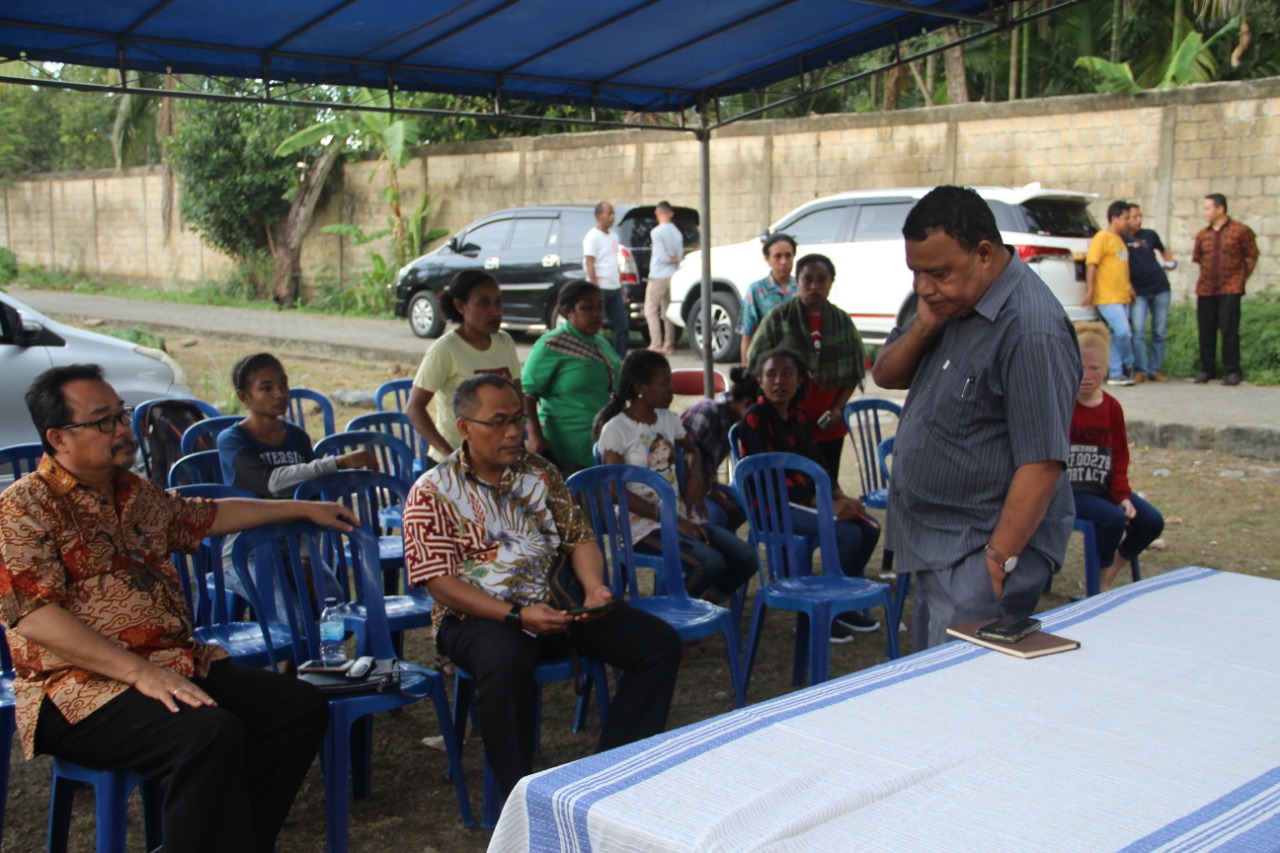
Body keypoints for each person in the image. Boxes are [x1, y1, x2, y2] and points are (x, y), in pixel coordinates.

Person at [0, 364, 358, 853]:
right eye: (103, 421)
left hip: (167, 665)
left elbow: (206, 515)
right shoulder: (24, 507)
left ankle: (229, 842)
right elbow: (34, 615)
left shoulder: (133, 492)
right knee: (209, 734)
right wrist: (138, 673)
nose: (123, 430)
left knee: (297, 707)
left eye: (121, 416)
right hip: (75, 689)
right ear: (59, 438)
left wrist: (301, 507)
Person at [402, 374, 681, 801]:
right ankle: (521, 800)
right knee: (506, 661)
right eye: (498, 422)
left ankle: (610, 778)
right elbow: (438, 582)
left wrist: (593, 589)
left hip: (555, 606)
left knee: (657, 644)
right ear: (464, 428)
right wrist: (514, 615)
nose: (514, 431)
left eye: (517, 419)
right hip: (477, 618)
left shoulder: (540, 472)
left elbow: (580, 538)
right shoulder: (433, 491)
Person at [873, 185, 1079, 651]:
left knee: (960, 697)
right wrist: (926, 323)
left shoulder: (1030, 329)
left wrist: (997, 561)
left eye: (938, 272)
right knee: (933, 678)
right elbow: (885, 373)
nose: (924, 286)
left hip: (979, 551)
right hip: (937, 543)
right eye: (916, 272)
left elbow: (1043, 462)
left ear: (984, 254)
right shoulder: (947, 299)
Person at [736, 348, 881, 639]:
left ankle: (841, 603)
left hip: (807, 505)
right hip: (773, 508)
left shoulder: (800, 417)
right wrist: (825, 505)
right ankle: (823, 613)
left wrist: (840, 497)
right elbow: (772, 479)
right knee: (847, 534)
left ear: (800, 379)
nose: (779, 381)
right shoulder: (755, 419)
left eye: (787, 374)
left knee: (869, 528)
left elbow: (818, 465)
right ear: (760, 381)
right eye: (771, 374)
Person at [594, 351, 756, 604]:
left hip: (678, 515)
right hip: (639, 525)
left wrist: (695, 476)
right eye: (664, 383)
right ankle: (667, 622)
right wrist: (671, 519)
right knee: (708, 562)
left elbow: (692, 450)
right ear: (640, 387)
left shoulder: (669, 420)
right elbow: (615, 491)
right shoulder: (616, 429)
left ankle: (700, 605)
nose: (672, 389)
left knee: (746, 557)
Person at [745, 252, 865, 477]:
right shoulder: (778, 319)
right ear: (797, 281)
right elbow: (755, 364)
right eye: (807, 279)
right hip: (785, 423)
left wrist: (838, 408)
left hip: (828, 425)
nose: (814, 286)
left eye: (821, 280)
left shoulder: (843, 322)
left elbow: (853, 373)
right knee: (792, 488)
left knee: (827, 485)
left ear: (831, 282)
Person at [1069, 322, 1165, 592]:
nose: (1086, 375)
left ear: (1107, 368)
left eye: (1095, 369)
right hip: (1070, 491)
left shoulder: (1112, 408)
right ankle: (1097, 581)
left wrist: (1122, 495)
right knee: (1112, 519)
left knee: (1150, 521)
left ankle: (1109, 572)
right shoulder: (1061, 401)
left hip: (1102, 487)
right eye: (1080, 367)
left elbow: (1119, 458)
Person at [405, 270, 522, 464]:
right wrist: (451, 455)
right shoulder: (445, 349)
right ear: (460, 306)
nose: (495, 311)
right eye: (484, 303)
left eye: (498, 302)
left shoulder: (505, 342)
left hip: (497, 458)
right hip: (456, 463)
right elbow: (414, 408)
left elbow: (518, 398)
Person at [218, 352, 377, 493]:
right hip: (256, 527)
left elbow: (315, 487)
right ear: (244, 397)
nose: (280, 394)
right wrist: (339, 462)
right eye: (266, 388)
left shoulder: (297, 435)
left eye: (283, 384)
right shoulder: (232, 440)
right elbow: (272, 483)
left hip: (302, 525)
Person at [522, 281, 621, 475]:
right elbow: (527, 393)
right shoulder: (552, 344)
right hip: (566, 447)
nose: (597, 314)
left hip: (602, 442)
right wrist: (534, 434)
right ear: (568, 311)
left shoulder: (602, 344)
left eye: (600, 307)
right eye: (587, 308)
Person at [1191, 193, 1259, 386]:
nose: (1204, 212)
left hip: (1230, 287)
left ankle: (1233, 370)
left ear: (1220, 209)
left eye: (1207, 208)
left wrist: (1242, 278)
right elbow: (1199, 259)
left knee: (1229, 330)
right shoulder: (1203, 234)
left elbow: (1252, 256)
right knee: (1206, 330)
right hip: (1205, 288)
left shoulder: (1240, 231)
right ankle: (1207, 369)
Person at [679, 366, 757, 530]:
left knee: (747, 506)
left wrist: (715, 493)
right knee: (716, 516)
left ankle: (727, 549)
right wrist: (718, 499)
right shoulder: (706, 415)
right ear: (747, 403)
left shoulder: (732, 420)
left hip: (704, 482)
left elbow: (708, 470)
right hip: (681, 484)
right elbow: (687, 470)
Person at [1084, 200, 1136, 386]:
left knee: (1116, 335)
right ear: (1114, 218)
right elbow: (1092, 264)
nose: (1128, 221)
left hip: (1122, 297)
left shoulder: (1120, 240)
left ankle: (1115, 373)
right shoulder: (1102, 237)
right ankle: (1129, 363)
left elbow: (1121, 268)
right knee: (1124, 332)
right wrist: (1091, 290)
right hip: (1107, 297)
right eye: (1125, 218)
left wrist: (1129, 287)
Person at [1124, 203, 1176, 383]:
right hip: (1138, 292)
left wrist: (1170, 261)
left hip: (1160, 287)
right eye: (1133, 217)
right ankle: (1141, 369)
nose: (1138, 220)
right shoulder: (1120, 239)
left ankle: (1155, 368)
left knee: (1159, 331)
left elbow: (1164, 251)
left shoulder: (1150, 235)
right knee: (1138, 330)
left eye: (1140, 216)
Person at [737, 233, 797, 364]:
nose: (784, 262)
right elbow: (747, 334)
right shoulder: (756, 290)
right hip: (766, 362)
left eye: (788, 255)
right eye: (777, 256)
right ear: (767, 258)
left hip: (797, 362)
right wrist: (746, 371)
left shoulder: (801, 289)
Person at [583, 200, 630, 357]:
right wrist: (595, 286)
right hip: (600, 287)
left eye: (613, 213)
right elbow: (590, 262)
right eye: (608, 213)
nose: (612, 217)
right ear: (598, 215)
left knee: (622, 325)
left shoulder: (614, 236)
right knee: (596, 325)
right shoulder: (592, 236)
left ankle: (620, 359)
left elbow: (614, 261)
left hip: (614, 287)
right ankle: (596, 357)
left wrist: (622, 286)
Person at [645, 201, 683, 355]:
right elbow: (679, 256)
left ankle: (655, 343)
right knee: (667, 311)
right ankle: (668, 345)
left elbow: (661, 256)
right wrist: (674, 259)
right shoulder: (677, 232)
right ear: (671, 213)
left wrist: (669, 258)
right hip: (672, 274)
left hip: (658, 274)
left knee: (650, 310)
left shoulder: (656, 232)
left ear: (657, 212)